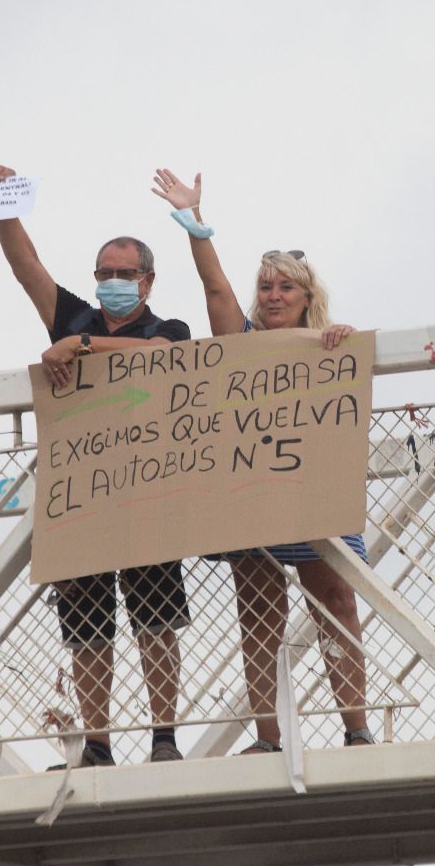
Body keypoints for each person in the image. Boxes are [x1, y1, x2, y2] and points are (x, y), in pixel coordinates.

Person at [150, 167, 375, 755]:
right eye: (267, 286)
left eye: (286, 288)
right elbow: (217, 293)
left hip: (311, 496)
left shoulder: (328, 345)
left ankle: (356, 729)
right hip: (252, 495)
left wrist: (342, 341)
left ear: (307, 297)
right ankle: (269, 740)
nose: (274, 296)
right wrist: (194, 224)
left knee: (337, 603)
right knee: (259, 618)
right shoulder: (242, 337)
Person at [0, 163, 190, 768]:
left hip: (147, 493)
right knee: (86, 623)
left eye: (125, 274)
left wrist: (74, 347)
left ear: (148, 281)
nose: (113, 282)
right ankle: (97, 744)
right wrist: (5, 206)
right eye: (104, 273)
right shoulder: (73, 315)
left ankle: (164, 738)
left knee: (155, 619)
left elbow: (156, 356)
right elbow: (27, 268)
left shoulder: (168, 326)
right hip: (82, 498)